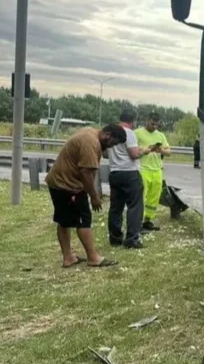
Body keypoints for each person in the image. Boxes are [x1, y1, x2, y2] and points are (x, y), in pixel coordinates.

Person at [45, 124, 126, 268]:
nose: (112, 147)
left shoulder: (90, 132)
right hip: (69, 186)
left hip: (57, 182)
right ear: (107, 135)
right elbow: (86, 173)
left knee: (64, 221)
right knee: (83, 220)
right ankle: (93, 258)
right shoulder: (91, 143)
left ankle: (68, 257)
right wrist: (93, 196)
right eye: (113, 143)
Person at [107, 109, 148, 249]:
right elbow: (134, 154)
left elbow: (106, 154)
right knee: (134, 206)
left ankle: (115, 237)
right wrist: (144, 151)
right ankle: (132, 239)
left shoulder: (111, 132)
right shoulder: (129, 133)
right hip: (130, 173)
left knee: (116, 207)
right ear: (132, 121)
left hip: (114, 172)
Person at [134, 113, 171, 231]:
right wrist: (145, 149)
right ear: (146, 120)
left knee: (154, 197)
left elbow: (169, 152)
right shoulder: (137, 133)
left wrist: (160, 150)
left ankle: (147, 220)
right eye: (152, 123)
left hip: (157, 170)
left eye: (157, 124)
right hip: (143, 169)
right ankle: (137, 222)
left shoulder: (160, 135)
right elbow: (132, 149)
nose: (154, 126)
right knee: (141, 197)